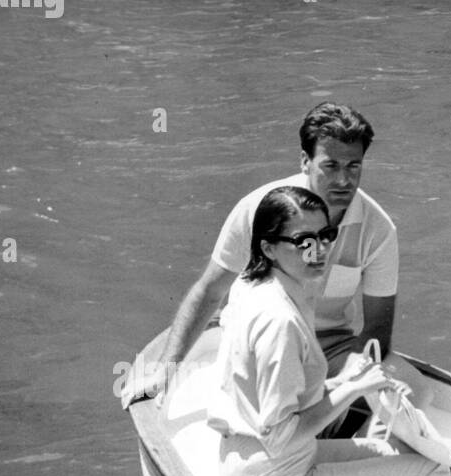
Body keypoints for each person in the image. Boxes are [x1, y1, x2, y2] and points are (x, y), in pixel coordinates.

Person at [205, 186, 449, 476]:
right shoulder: (281, 319)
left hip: (247, 464)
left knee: (392, 449)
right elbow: (283, 434)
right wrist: (353, 387)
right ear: (267, 247)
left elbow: (277, 402)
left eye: (326, 235)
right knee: (432, 475)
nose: (319, 250)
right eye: (302, 241)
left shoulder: (256, 286)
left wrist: (342, 381)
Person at [122, 102, 402, 425]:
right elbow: (210, 291)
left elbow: (377, 334)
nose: (343, 180)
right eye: (331, 165)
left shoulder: (379, 231)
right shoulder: (257, 209)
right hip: (262, 347)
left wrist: (346, 387)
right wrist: (165, 371)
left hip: (331, 348)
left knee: (392, 389)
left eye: (354, 166)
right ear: (305, 162)